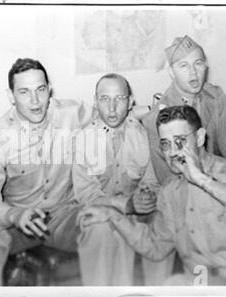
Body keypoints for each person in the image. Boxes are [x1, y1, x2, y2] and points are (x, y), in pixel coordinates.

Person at [80, 105, 226, 285]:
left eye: (180, 141)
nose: (172, 152)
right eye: (165, 144)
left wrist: (202, 180)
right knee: (172, 285)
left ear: (200, 137)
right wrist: (112, 215)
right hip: (199, 283)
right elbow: (156, 246)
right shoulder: (171, 190)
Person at [0, 58, 95, 286]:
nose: (35, 101)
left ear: (50, 90)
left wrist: (159, 111)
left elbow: (113, 110)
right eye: (24, 92)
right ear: (11, 96)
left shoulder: (71, 112)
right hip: (19, 223)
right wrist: (14, 215)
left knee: (103, 223)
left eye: (40, 90)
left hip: (64, 215)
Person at [72, 73, 173, 285]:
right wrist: (123, 206)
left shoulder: (143, 134)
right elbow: (86, 194)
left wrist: (145, 199)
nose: (111, 107)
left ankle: (160, 292)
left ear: (130, 102)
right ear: (95, 102)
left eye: (119, 99)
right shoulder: (83, 139)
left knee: (164, 222)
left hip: (136, 209)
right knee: (103, 230)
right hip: (98, 208)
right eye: (104, 99)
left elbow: (151, 182)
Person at [142, 35, 226, 185]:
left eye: (198, 63)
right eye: (183, 65)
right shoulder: (156, 117)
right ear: (171, 72)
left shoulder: (215, 97)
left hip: (221, 180)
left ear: (205, 67)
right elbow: (169, 181)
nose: (193, 72)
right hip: (187, 194)